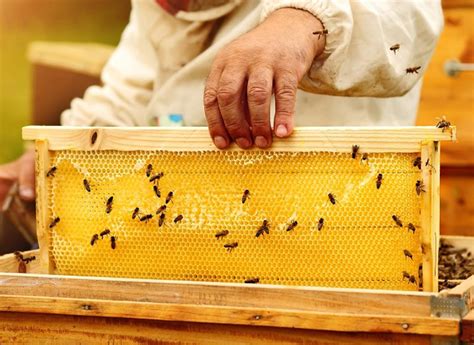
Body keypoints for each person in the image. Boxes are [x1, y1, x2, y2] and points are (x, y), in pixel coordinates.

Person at [0, 0, 443, 205]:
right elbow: (129, 93)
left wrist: (304, 20)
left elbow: (411, 17)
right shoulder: (159, 8)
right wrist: (51, 154)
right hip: (192, 238)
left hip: (340, 227)